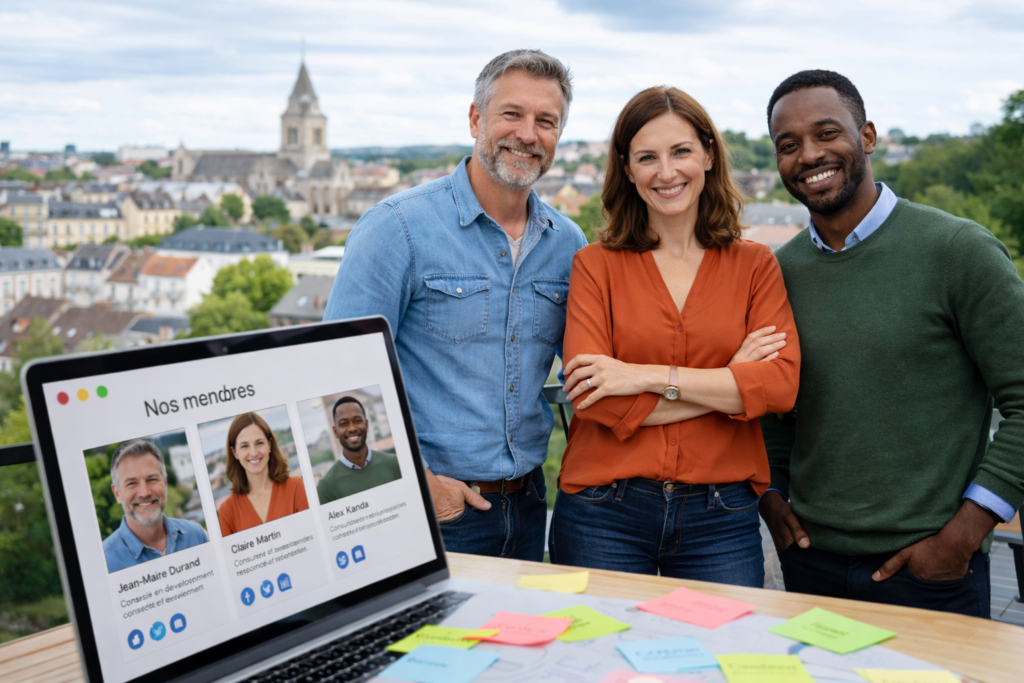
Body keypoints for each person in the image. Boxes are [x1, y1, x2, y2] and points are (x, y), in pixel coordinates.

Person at [759, 69, 1024, 617]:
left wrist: (966, 532)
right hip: (811, 565)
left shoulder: (957, 251)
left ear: (868, 137)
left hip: (932, 569)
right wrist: (770, 496)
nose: (809, 155)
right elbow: (772, 404)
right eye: (789, 145)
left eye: (827, 133)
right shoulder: (776, 272)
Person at [323, 49, 588, 560]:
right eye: (511, 114)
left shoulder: (567, 241)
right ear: (475, 119)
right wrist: (417, 485)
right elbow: (337, 375)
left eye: (546, 121)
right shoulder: (396, 228)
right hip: (430, 512)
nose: (528, 134)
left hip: (530, 505)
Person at [548, 86, 800, 585]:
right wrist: (730, 382)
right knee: (598, 659)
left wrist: (640, 376)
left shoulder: (755, 266)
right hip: (604, 511)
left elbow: (778, 388)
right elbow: (595, 400)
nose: (666, 172)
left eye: (681, 151)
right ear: (627, 168)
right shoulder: (595, 267)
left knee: (722, 657)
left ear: (708, 154)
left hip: (720, 515)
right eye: (647, 157)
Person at [102, 439, 208, 573]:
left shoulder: (196, 535)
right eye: (131, 483)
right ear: (117, 493)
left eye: (152, 479)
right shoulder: (104, 563)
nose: (145, 492)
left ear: (165, 484)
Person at [218, 412, 309, 537]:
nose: (254, 452)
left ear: (269, 444)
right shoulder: (227, 512)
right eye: (244, 446)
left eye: (259, 443)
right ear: (234, 452)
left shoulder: (296, 488)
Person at [317, 396, 402, 504]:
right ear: (335, 431)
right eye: (343, 424)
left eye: (357, 421)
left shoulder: (395, 464)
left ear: (366, 425)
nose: (352, 428)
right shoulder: (326, 488)